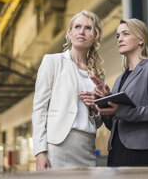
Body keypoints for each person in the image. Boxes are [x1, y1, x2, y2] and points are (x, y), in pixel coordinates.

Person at [32, 10, 105, 170]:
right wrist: (40, 151)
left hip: (87, 145)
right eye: (77, 27)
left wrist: (95, 107)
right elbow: (39, 108)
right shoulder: (53, 62)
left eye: (88, 28)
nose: (82, 31)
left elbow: (98, 121)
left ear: (95, 37)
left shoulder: (97, 73)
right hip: (58, 145)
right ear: (69, 33)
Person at [91, 18, 148, 167]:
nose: (120, 39)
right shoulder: (121, 78)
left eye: (125, 34)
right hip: (116, 149)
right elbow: (113, 123)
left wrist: (120, 110)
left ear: (140, 39)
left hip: (140, 150)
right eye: (118, 36)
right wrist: (103, 100)